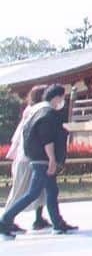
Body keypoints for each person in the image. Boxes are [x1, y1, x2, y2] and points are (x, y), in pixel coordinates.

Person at [0, 84, 78, 238]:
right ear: (56, 97)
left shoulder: (35, 111)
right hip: (42, 158)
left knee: (51, 191)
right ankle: (5, 220)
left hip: (36, 157)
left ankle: (57, 223)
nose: (63, 101)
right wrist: (52, 159)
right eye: (62, 97)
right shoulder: (47, 113)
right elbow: (46, 138)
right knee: (33, 192)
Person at [3, 85, 51, 232]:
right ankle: (6, 219)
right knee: (19, 190)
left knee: (40, 190)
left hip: (32, 156)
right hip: (26, 157)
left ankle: (38, 218)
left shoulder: (35, 110)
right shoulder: (34, 111)